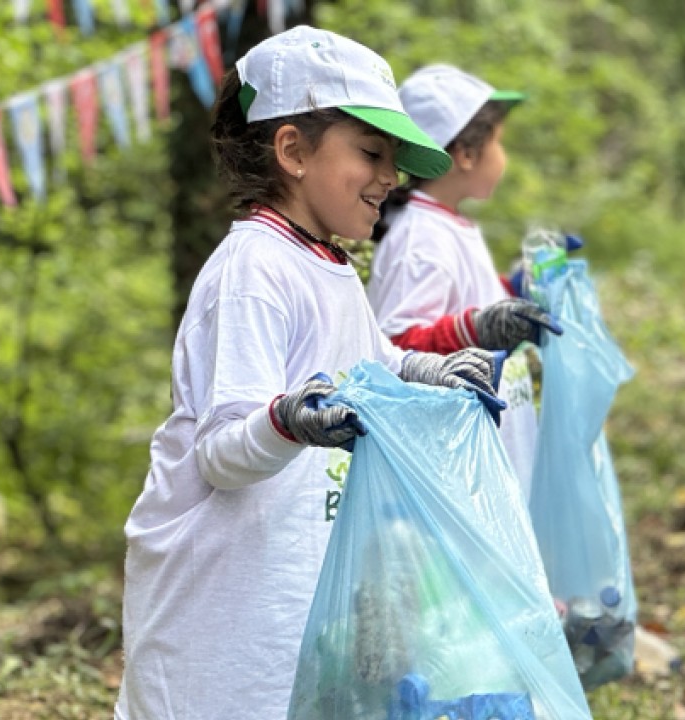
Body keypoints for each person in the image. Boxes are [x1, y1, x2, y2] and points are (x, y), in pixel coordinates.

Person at [115, 28, 505, 720]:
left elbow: (371, 361)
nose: (391, 178)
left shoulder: (327, 264)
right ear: (293, 150)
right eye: (371, 153)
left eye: (394, 160)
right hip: (220, 598)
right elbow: (222, 451)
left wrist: (433, 370)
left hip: (289, 578)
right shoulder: (253, 271)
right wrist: (289, 419)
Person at [366, 64, 559, 502]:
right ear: (467, 154)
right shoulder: (421, 237)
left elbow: (472, 299)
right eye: (499, 143)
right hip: (454, 466)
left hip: (485, 450)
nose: (503, 156)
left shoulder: (448, 226)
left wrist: (521, 290)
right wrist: (479, 328)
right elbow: (396, 344)